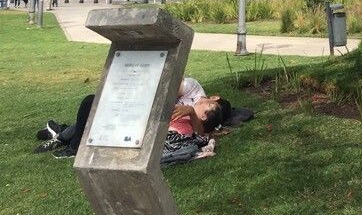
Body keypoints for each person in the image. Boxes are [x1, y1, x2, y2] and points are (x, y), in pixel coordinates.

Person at [35, 76, 231, 161]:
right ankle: (61, 135)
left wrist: (189, 111)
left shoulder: (192, 122)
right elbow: (167, 90)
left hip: (134, 120)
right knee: (91, 106)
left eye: (211, 106)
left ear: (206, 114)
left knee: (91, 105)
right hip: (139, 107)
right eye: (211, 102)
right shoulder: (194, 90)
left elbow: (200, 134)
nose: (206, 101)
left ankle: (66, 141)